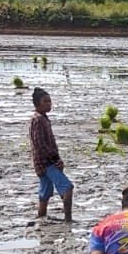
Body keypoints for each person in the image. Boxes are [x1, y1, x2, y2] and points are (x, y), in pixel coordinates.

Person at [29, 87, 74, 222]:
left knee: (45, 192)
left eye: (50, 101)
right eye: (45, 102)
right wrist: (55, 159)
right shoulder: (38, 120)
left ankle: (41, 217)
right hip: (46, 162)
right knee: (67, 188)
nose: (49, 104)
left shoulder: (42, 118)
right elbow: (40, 145)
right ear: (37, 103)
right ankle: (68, 219)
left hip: (42, 163)